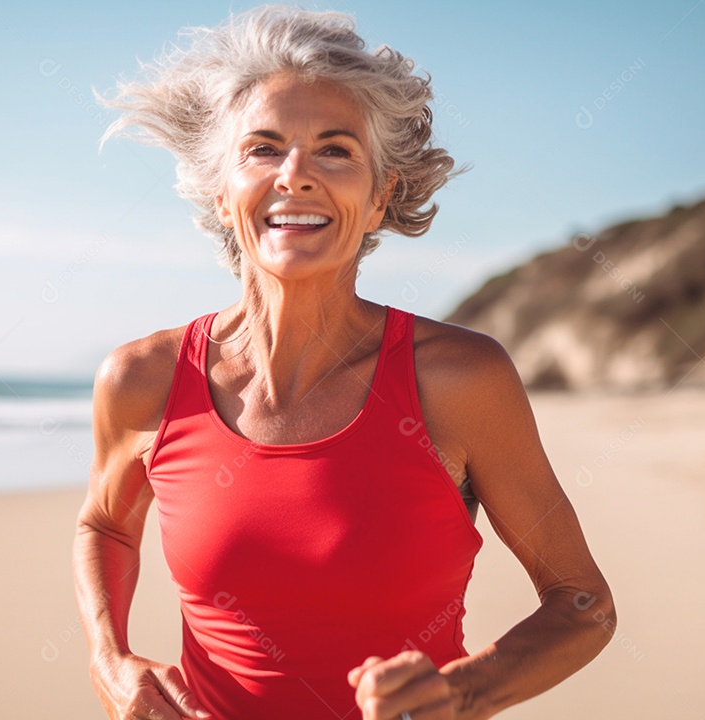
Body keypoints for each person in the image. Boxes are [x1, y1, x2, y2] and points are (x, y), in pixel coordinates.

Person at [73, 6, 615, 719]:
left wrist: (462, 692)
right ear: (219, 188)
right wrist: (110, 662)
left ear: (380, 194)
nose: (295, 175)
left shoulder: (457, 379)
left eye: (335, 150)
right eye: (262, 149)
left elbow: (582, 603)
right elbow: (106, 525)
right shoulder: (142, 379)